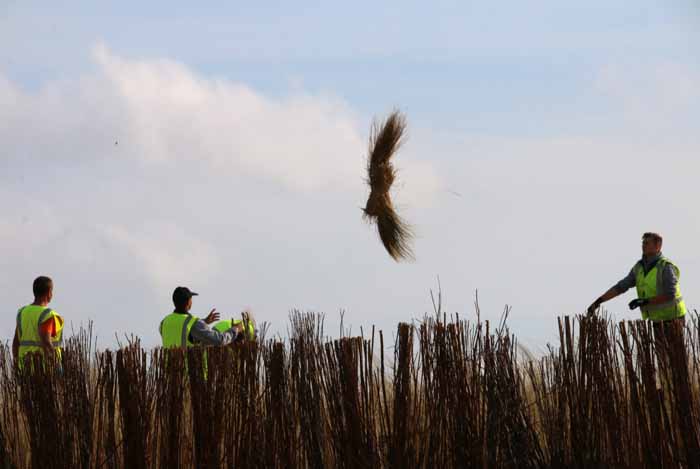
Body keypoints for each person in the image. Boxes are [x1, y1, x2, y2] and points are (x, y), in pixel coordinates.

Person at [587, 232, 686, 323]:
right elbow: (621, 287)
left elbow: (670, 294)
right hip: (657, 319)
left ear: (658, 246)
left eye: (647, 243)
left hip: (674, 318)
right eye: (643, 243)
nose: (643, 246)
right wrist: (599, 301)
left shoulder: (665, 267)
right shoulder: (639, 267)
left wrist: (645, 301)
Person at [159, 286, 240, 348]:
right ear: (188, 303)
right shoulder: (193, 323)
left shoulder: (164, 322)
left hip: (168, 369)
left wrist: (204, 321)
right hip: (188, 368)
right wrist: (235, 330)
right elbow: (220, 340)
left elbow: (180, 330)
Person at [13, 276, 65, 367]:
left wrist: (17, 364)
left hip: (24, 368)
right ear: (49, 292)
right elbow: (46, 343)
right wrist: (58, 367)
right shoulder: (47, 315)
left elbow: (16, 343)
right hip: (42, 370)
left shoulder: (22, 312)